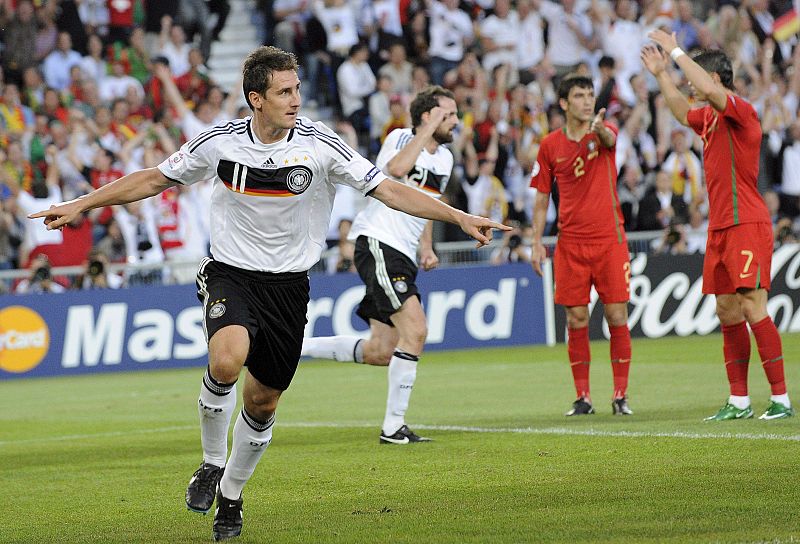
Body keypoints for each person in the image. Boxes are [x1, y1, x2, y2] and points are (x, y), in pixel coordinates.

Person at [28, 46, 508, 541]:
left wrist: (456, 216)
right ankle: (213, 463)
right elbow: (153, 178)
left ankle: (231, 498)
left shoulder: (323, 145)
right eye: (284, 92)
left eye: (297, 89)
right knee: (227, 361)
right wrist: (81, 203)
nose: (296, 99)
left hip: (289, 286)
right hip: (230, 272)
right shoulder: (219, 141)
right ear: (256, 99)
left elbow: (388, 188)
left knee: (262, 402)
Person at [642, 31, 793, 421]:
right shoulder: (708, 118)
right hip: (720, 227)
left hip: (747, 221)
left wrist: (675, 51)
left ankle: (781, 398)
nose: (690, 85)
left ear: (717, 79)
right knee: (727, 310)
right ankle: (739, 401)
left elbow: (706, 89)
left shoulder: (741, 111)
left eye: (697, 78)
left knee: (752, 306)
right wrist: (662, 75)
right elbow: (679, 110)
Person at [301, 85, 458, 444]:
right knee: (416, 330)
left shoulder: (445, 159)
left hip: (404, 250)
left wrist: (427, 245)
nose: (455, 121)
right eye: (446, 114)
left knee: (382, 351)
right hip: (378, 241)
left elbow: (426, 203)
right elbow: (395, 169)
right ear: (427, 116)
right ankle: (393, 427)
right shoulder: (402, 137)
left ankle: (297, 348)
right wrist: (423, 132)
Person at [529, 75, 633, 417]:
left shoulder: (604, 134)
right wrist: (535, 243)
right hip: (570, 243)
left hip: (609, 239)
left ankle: (620, 395)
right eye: (579, 95)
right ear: (564, 103)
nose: (587, 101)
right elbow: (542, 198)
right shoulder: (550, 146)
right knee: (576, 319)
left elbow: (607, 137)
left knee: (617, 315)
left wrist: (599, 127)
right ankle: (583, 397)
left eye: (590, 95)